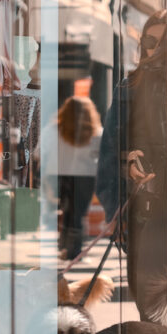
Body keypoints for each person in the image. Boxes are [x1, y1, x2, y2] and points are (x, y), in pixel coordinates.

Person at [96, 9, 167, 324]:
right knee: (147, 298)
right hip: (145, 203)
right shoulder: (130, 85)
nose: (155, 49)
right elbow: (110, 151)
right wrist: (115, 210)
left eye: (164, 42)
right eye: (150, 41)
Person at [53, 95, 104, 260]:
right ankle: (74, 250)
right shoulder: (96, 132)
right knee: (79, 213)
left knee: (66, 211)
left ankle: (66, 247)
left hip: (61, 173)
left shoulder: (56, 129)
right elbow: (100, 156)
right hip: (86, 176)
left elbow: (43, 152)